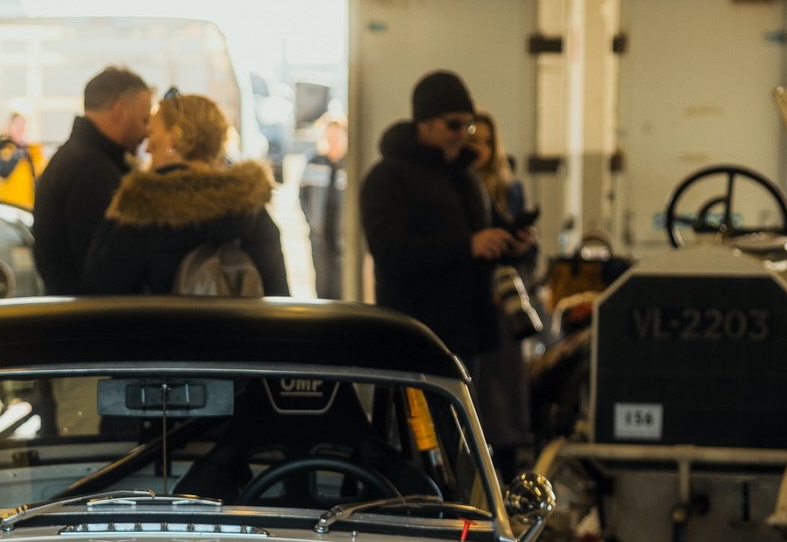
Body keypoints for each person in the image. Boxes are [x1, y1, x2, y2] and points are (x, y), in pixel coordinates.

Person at [359, 70, 530, 374]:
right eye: (453, 124)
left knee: (459, 422)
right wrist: (468, 246)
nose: (463, 134)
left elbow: (492, 234)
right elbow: (389, 250)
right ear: (423, 123)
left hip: (466, 336)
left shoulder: (467, 177)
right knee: (415, 422)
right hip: (413, 337)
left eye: (468, 124)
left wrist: (514, 243)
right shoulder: (387, 177)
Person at [81, 92, 288, 297]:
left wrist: (114, 214)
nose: (147, 146)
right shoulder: (252, 210)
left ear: (173, 138)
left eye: (152, 133)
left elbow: (97, 287)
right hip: (239, 331)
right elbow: (279, 298)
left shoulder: (144, 210)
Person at [32, 66, 153, 293]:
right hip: (88, 320)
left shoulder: (78, 157)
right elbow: (108, 270)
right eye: (144, 120)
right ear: (119, 111)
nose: (147, 133)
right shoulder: (90, 169)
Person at [468, 107, 536, 468]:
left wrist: (522, 244)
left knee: (504, 385)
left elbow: (526, 253)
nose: (480, 148)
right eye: (474, 140)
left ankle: (509, 454)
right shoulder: (457, 186)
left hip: (502, 300)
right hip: (469, 297)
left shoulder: (509, 189)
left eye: (487, 142)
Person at [298, 113, 347, 299]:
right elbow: (302, 196)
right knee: (322, 287)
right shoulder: (313, 162)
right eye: (329, 136)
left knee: (341, 287)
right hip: (320, 236)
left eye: (337, 136)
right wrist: (311, 222)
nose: (332, 141)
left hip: (343, 239)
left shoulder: (351, 164)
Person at [0, 112, 42, 209]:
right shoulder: (0, 148)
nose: (21, 128)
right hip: (6, 205)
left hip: (28, 206)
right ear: (9, 126)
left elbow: (39, 175)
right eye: (18, 124)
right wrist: (18, 153)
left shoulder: (32, 150)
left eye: (23, 125)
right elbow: (3, 171)